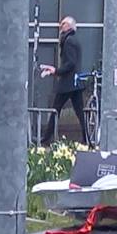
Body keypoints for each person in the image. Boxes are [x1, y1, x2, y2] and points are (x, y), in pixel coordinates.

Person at [36, 15, 86, 145]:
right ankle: (87, 139)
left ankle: (46, 139)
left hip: (68, 83)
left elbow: (70, 63)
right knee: (79, 112)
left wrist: (56, 71)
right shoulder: (73, 40)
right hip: (75, 83)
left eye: (63, 23)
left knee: (56, 109)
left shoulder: (68, 41)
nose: (60, 26)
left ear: (69, 26)